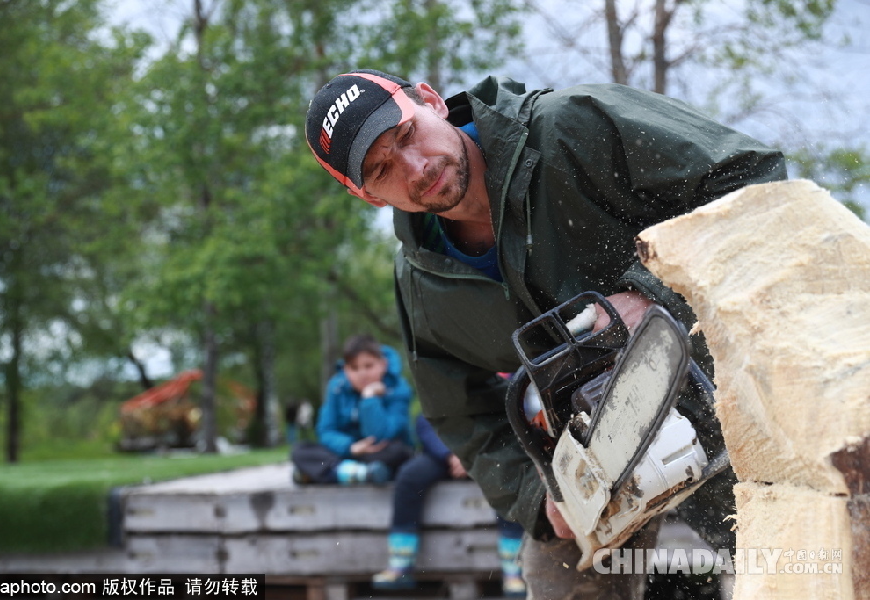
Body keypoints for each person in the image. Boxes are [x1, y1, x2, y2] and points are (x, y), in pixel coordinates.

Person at [304, 69, 787, 598]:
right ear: (367, 195)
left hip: (733, 400)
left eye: (406, 134)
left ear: (431, 101)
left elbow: (749, 176)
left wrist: (655, 291)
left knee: (802, 566)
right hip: (591, 461)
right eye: (382, 169)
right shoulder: (421, 279)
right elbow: (459, 410)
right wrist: (538, 495)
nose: (417, 167)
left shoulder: (571, 127)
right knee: (557, 580)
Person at [373, 414, 526, 597]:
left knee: (507, 477)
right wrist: (450, 455)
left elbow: (505, 420)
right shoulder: (436, 386)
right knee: (409, 476)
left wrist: (471, 455)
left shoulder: (504, 384)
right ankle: (401, 563)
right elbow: (425, 422)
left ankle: (514, 570)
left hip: (488, 454)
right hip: (444, 454)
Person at [291, 334, 413, 484]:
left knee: (399, 452)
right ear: (345, 369)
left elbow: (380, 436)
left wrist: (369, 398)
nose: (362, 374)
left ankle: (328, 473)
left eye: (368, 366)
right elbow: (326, 430)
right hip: (350, 452)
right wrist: (350, 447)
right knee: (300, 450)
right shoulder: (336, 387)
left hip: (380, 451)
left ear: (383, 364)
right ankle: (360, 473)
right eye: (354, 368)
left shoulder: (399, 390)